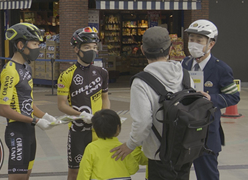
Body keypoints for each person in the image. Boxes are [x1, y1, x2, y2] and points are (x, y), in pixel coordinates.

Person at [111, 26, 194, 180]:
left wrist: (130, 145)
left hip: (159, 155)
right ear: (170, 49)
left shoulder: (141, 81)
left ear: (142, 50)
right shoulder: (185, 75)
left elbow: (143, 122)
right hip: (184, 151)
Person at [181, 19, 240, 180]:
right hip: (183, 130)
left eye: (199, 40)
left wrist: (211, 98)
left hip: (207, 133)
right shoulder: (184, 64)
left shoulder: (221, 69)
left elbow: (234, 97)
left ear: (211, 44)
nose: (193, 43)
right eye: (191, 39)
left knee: (207, 175)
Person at [0, 23, 57, 180]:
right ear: (20, 44)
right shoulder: (10, 70)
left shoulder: (27, 68)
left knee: (26, 175)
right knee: (18, 177)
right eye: (35, 44)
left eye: (39, 44)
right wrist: (36, 120)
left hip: (29, 131)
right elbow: (3, 109)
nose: (38, 48)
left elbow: (27, 102)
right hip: (17, 131)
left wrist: (46, 116)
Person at [57, 26, 110, 180]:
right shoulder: (66, 75)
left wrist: (105, 116)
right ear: (76, 49)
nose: (91, 51)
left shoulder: (102, 73)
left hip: (98, 130)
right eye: (86, 47)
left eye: (94, 47)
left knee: (99, 169)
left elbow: (105, 98)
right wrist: (81, 115)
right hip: (77, 131)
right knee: (75, 172)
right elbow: (61, 105)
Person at [77, 109, 140, 179]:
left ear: (95, 129)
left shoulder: (91, 148)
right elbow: (133, 169)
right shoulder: (122, 149)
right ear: (118, 128)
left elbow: (84, 172)